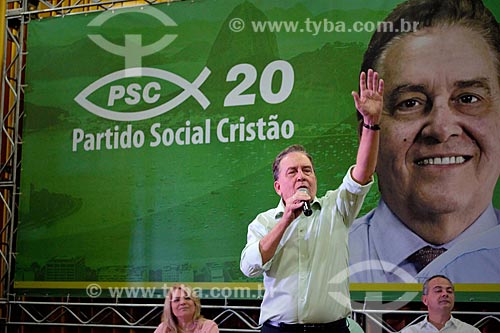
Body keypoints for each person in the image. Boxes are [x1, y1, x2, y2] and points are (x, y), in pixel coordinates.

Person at [349, 0, 500, 283]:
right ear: (368, 134)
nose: (442, 129)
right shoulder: (322, 261)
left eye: (468, 99)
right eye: (410, 103)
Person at [240, 69, 384, 333]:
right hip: (280, 330)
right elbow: (250, 266)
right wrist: (285, 221)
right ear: (278, 186)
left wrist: (371, 123)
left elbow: (362, 173)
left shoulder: (336, 209)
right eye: (292, 172)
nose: (301, 176)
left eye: (307, 170)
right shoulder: (264, 222)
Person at [400, 275, 480, 333]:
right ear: (425, 300)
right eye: (438, 291)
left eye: (449, 291)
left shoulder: (470, 331)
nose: (445, 294)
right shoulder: (411, 331)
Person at [154, 284, 219, 333]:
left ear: (195, 304)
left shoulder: (208, 327)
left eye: (187, 298)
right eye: (176, 300)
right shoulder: (163, 328)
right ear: (170, 307)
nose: (182, 302)